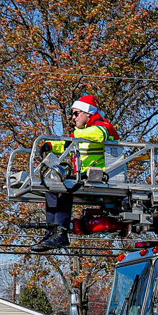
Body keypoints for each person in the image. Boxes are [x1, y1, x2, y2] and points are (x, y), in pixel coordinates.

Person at [33, 94, 119, 252]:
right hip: (85, 174)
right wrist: (50, 146)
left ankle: (61, 232)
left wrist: (75, 134)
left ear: (88, 113)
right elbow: (67, 144)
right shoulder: (83, 132)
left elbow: (100, 134)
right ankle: (51, 231)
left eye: (76, 113)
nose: (73, 117)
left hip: (101, 175)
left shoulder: (103, 125)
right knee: (51, 186)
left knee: (64, 187)